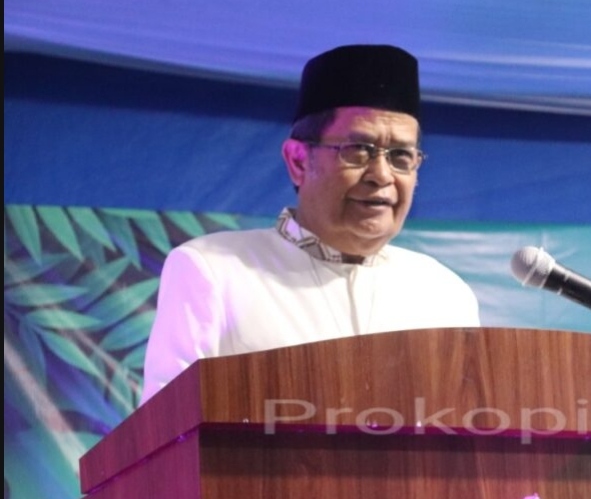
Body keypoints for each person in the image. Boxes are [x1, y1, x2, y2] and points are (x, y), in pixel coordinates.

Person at [141, 44, 480, 402]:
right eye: (358, 150)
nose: (382, 175)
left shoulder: (443, 291)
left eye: (400, 156)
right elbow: (170, 426)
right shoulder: (214, 270)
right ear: (298, 161)